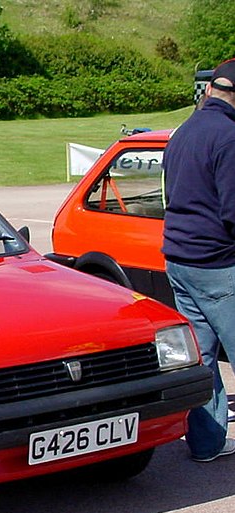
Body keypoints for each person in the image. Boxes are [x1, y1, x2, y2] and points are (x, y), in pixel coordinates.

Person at [162, 58, 235, 462]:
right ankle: (207, 441)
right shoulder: (228, 137)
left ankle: (206, 443)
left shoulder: (183, 132)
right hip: (218, 264)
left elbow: (173, 195)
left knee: (203, 355)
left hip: (179, 258)